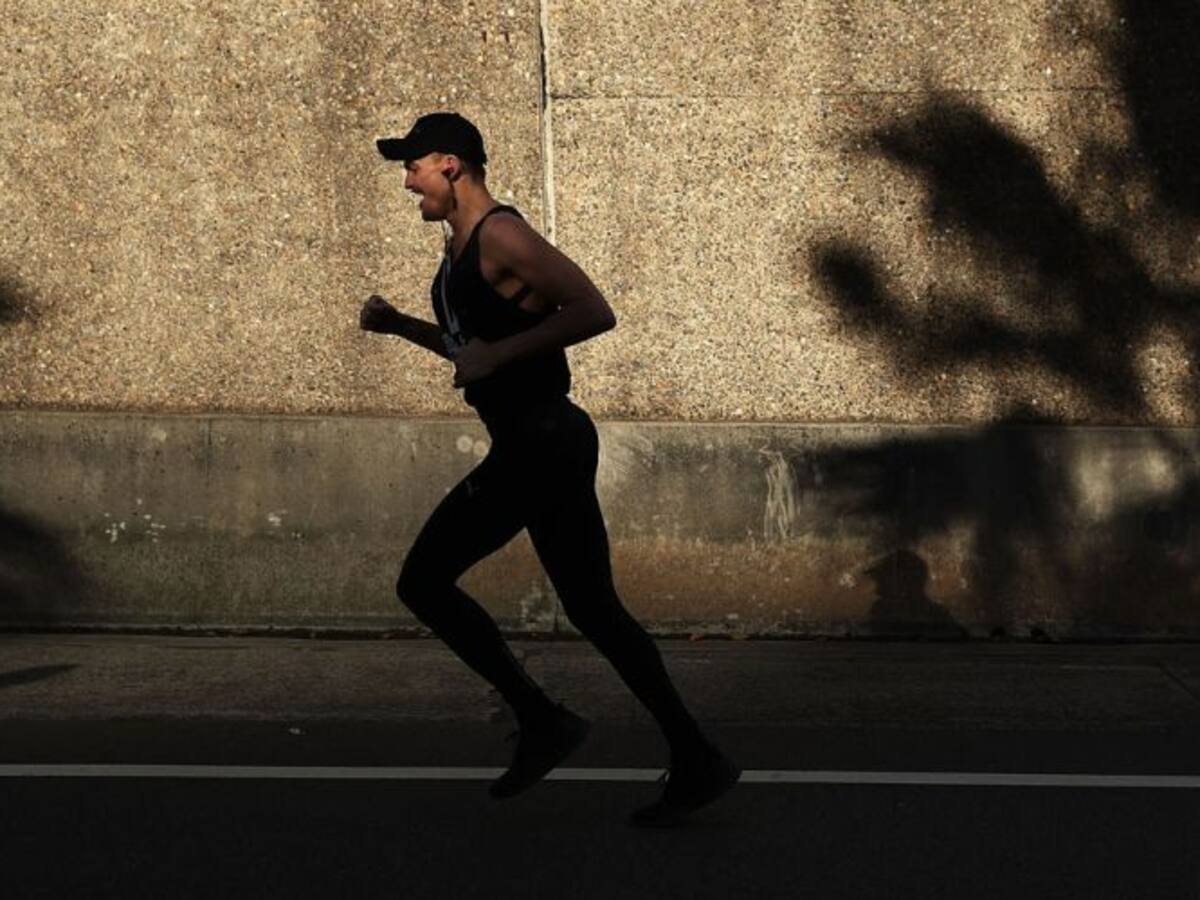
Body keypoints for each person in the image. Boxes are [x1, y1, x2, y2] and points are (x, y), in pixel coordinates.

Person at [360, 111, 740, 826]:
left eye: (413, 166)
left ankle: (545, 721)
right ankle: (694, 757)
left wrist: (498, 357)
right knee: (593, 608)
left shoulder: (501, 233)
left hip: (543, 440)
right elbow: (470, 348)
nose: (407, 181)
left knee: (424, 582)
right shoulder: (459, 250)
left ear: (450, 164)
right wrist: (401, 327)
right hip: (535, 441)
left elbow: (593, 310)